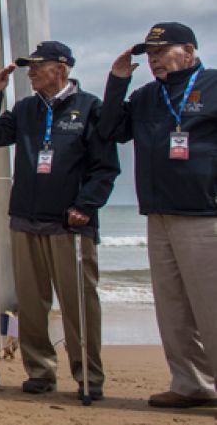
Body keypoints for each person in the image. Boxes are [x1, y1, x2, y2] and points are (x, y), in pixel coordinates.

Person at [0, 41, 120, 400]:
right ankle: (40, 372)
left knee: (78, 306)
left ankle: (88, 377)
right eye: (29, 66)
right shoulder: (26, 109)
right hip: (25, 220)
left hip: (69, 224)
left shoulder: (90, 108)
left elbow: (105, 168)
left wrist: (85, 205)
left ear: (63, 67)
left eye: (39, 65)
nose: (32, 72)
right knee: (31, 305)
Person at [98, 22, 217, 409]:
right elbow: (111, 130)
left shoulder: (213, 85)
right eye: (148, 56)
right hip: (158, 212)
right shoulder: (149, 96)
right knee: (172, 306)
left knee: (210, 304)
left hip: (204, 213)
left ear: (188, 49)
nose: (153, 62)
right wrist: (117, 82)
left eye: (159, 53)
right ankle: (190, 384)